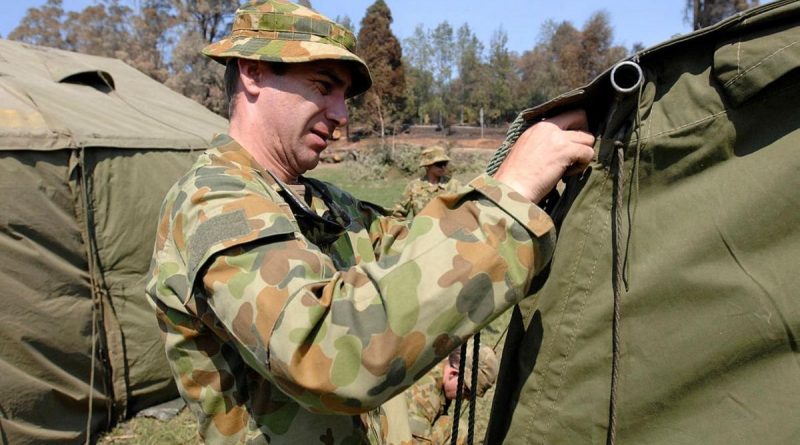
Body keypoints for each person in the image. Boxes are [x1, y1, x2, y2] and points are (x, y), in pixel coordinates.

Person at [145, 1, 595, 444]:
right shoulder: (214, 201)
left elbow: (420, 250)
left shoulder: (327, 204)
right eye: (323, 87)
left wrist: (517, 181)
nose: (341, 116)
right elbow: (328, 354)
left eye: (344, 98)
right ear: (253, 73)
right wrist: (509, 197)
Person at [393, 146, 462, 218]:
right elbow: (398, 213)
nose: (443, 168)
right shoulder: (414, 186)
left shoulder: (454, 185)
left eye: (445, 164)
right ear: (427, 166)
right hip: (422, 228)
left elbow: (467, 209)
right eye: (439, 164)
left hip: (447, 228)